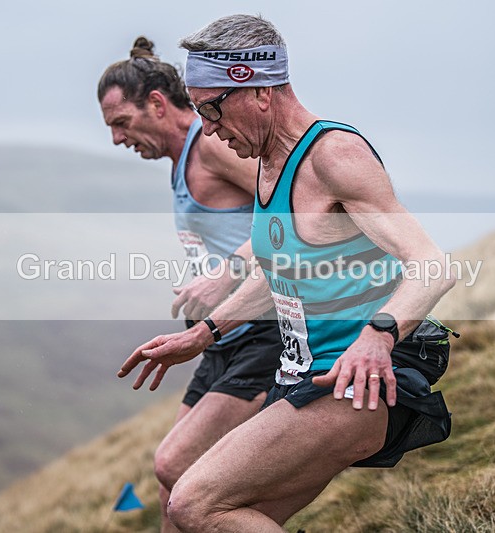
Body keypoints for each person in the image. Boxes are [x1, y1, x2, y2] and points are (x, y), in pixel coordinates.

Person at [118, 15, 456, 532]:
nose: (206, 128)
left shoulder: (335, 156)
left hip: (355, 382)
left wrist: (378, 336)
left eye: (211, 108)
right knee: (207, 521)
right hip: (300, 377)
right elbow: (281, 277)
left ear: (256, 90)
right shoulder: (267, 165)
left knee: (193, 503)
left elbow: (433, 266)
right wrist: (206, 334)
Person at [97, 36, 282, 532]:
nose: (117, 139)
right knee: (169, 488)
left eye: (121, 123)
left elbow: (292, 205)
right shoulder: (180, 163)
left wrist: (228, 271)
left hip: (265, 331)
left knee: (175, 465)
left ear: (156, 104)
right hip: (225, 339)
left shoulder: (212, 148)